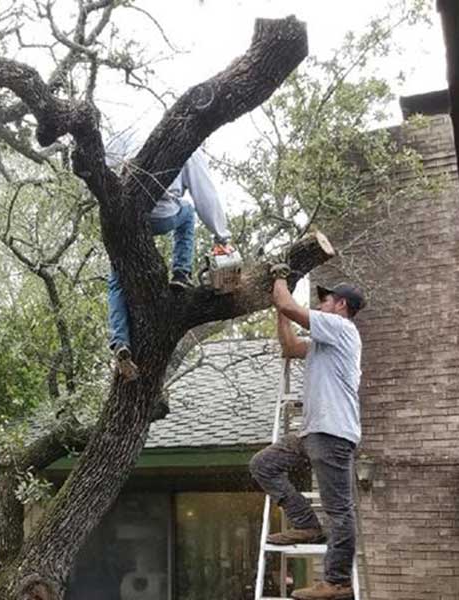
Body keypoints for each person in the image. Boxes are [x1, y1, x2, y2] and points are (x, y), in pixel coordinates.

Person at [250, 271, 366, 600]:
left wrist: (279, 276)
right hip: (313, 432)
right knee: (264, 464)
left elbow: (288, 303)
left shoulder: (342, 328)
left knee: (339, 510)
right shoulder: (323, 343)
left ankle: (337, 582)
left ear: (341, 305)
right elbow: (289, 346)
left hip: (333, 433)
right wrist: (278, 311)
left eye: (325, 299)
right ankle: (306, 523)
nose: (320, 303)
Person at [105, 138, 234, 379]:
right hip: (162, 216)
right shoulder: (188, 147)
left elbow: (103, 159)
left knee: (116, 279)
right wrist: (222, 236)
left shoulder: (132, 137)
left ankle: (120, 341)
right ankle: (180, 272)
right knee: (188, 211)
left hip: (125, 218)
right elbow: (205, 196)